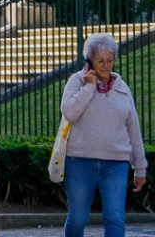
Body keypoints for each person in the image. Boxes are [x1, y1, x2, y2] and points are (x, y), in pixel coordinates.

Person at [60, 32, 147, 237]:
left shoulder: (122, 88)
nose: (106, 66)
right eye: (100, 61)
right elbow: (69, 112)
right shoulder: (77, 82)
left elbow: (133, 129)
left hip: (116, 164)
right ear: (89, 61)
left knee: (115, 217)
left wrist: (140, 167)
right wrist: (89, 87)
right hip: (80, 162)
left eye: (110, 60)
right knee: (78, 218)